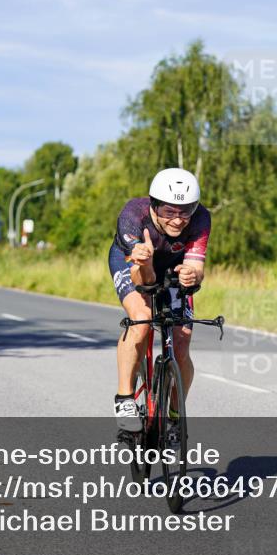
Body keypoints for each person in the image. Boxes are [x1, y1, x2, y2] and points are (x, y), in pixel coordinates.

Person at [108, 168, 210, 435]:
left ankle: (176, 415)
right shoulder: (133, 215)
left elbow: (197, 267)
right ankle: (125, 399)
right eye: (169, 211)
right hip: (135, 262)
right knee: (141, 321)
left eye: (185, 211)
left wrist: (190, 275)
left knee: (182, 339)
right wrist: (144, 259)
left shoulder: (200, 219)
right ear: (154, 205)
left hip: (174, 266)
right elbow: (144, 279)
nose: (178, 220)